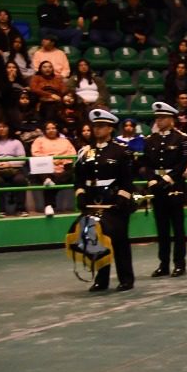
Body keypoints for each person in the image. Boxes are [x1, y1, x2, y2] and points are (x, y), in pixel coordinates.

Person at [74, 108, 136, 291]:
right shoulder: (85, 152)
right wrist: (80, 194)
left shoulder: (121, 151)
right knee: (97, 240)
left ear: (110, 129)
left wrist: (121, 198)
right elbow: (78, 178)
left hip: (114, 201)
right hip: (92, 201)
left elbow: (127, 179)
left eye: (102, 126)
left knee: (120, 241)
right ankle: (102, 279)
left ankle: (126, 278)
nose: (97, 130)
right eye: (95, 126)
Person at [144, 102, 187, 278]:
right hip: (157, 187)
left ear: (171, 119)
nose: (160, 121)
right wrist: (151, 180)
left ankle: (179, 263)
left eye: (163, 118)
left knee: (177, 228)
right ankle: (163, 263)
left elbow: (182, 163)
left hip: (174, 186)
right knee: (161, 228)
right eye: (158, 118)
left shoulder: (181, 139)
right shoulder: (150, 140)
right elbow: (146, 164)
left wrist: (167, 179)